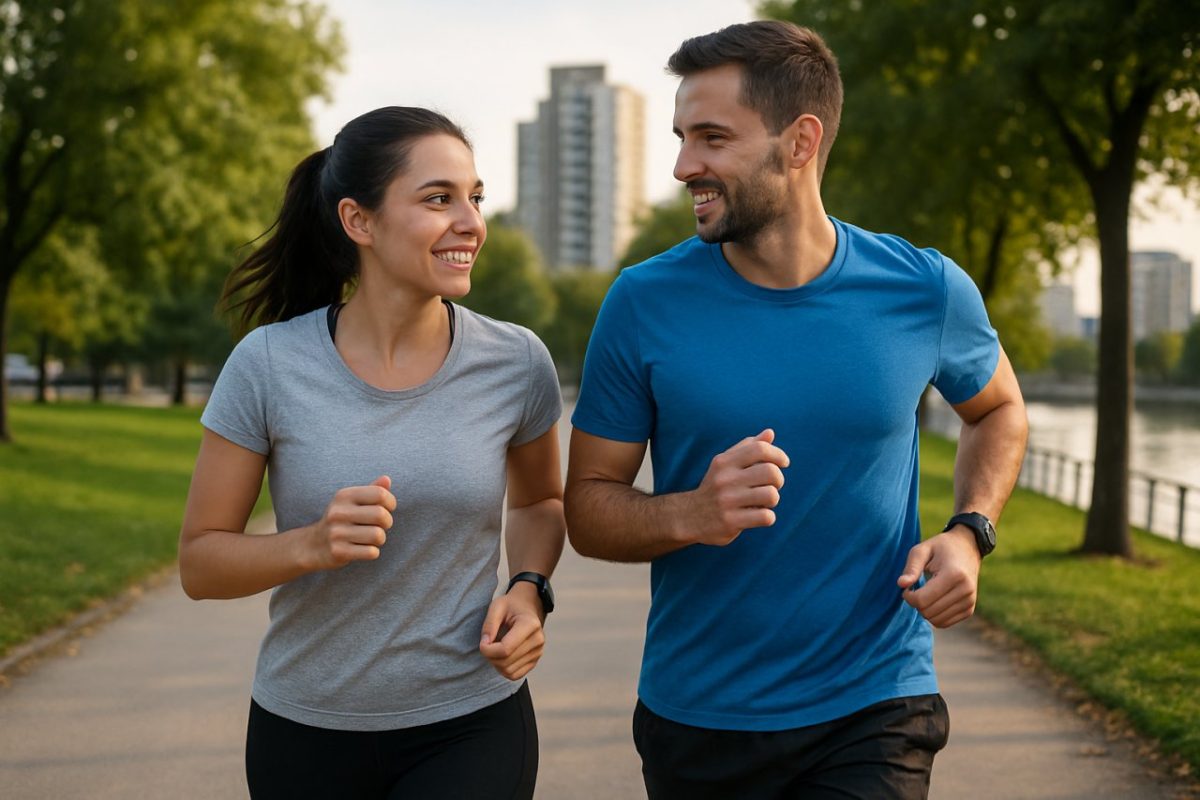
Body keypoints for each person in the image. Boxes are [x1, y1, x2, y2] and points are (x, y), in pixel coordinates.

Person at [565, 21, 1028, 800]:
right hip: (700, 715)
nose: (685, 166)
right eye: (682, 137)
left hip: (874, 701)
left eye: (712, 138)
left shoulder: (925, 288)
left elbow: (1000, 411)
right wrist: (692, 513)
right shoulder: (642, 303)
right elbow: (587, 507)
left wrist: (970, 531)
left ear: (800, 141)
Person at [179, 107, 564, 800]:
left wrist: (530, 590)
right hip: (304, 730)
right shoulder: (267, 365)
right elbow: (201, 562)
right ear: (359, 221)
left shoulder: (516, 361)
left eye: (475, 197)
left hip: (470, 722)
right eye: (438, 198)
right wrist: (312, 545)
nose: (472, 221)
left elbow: (540, 500)